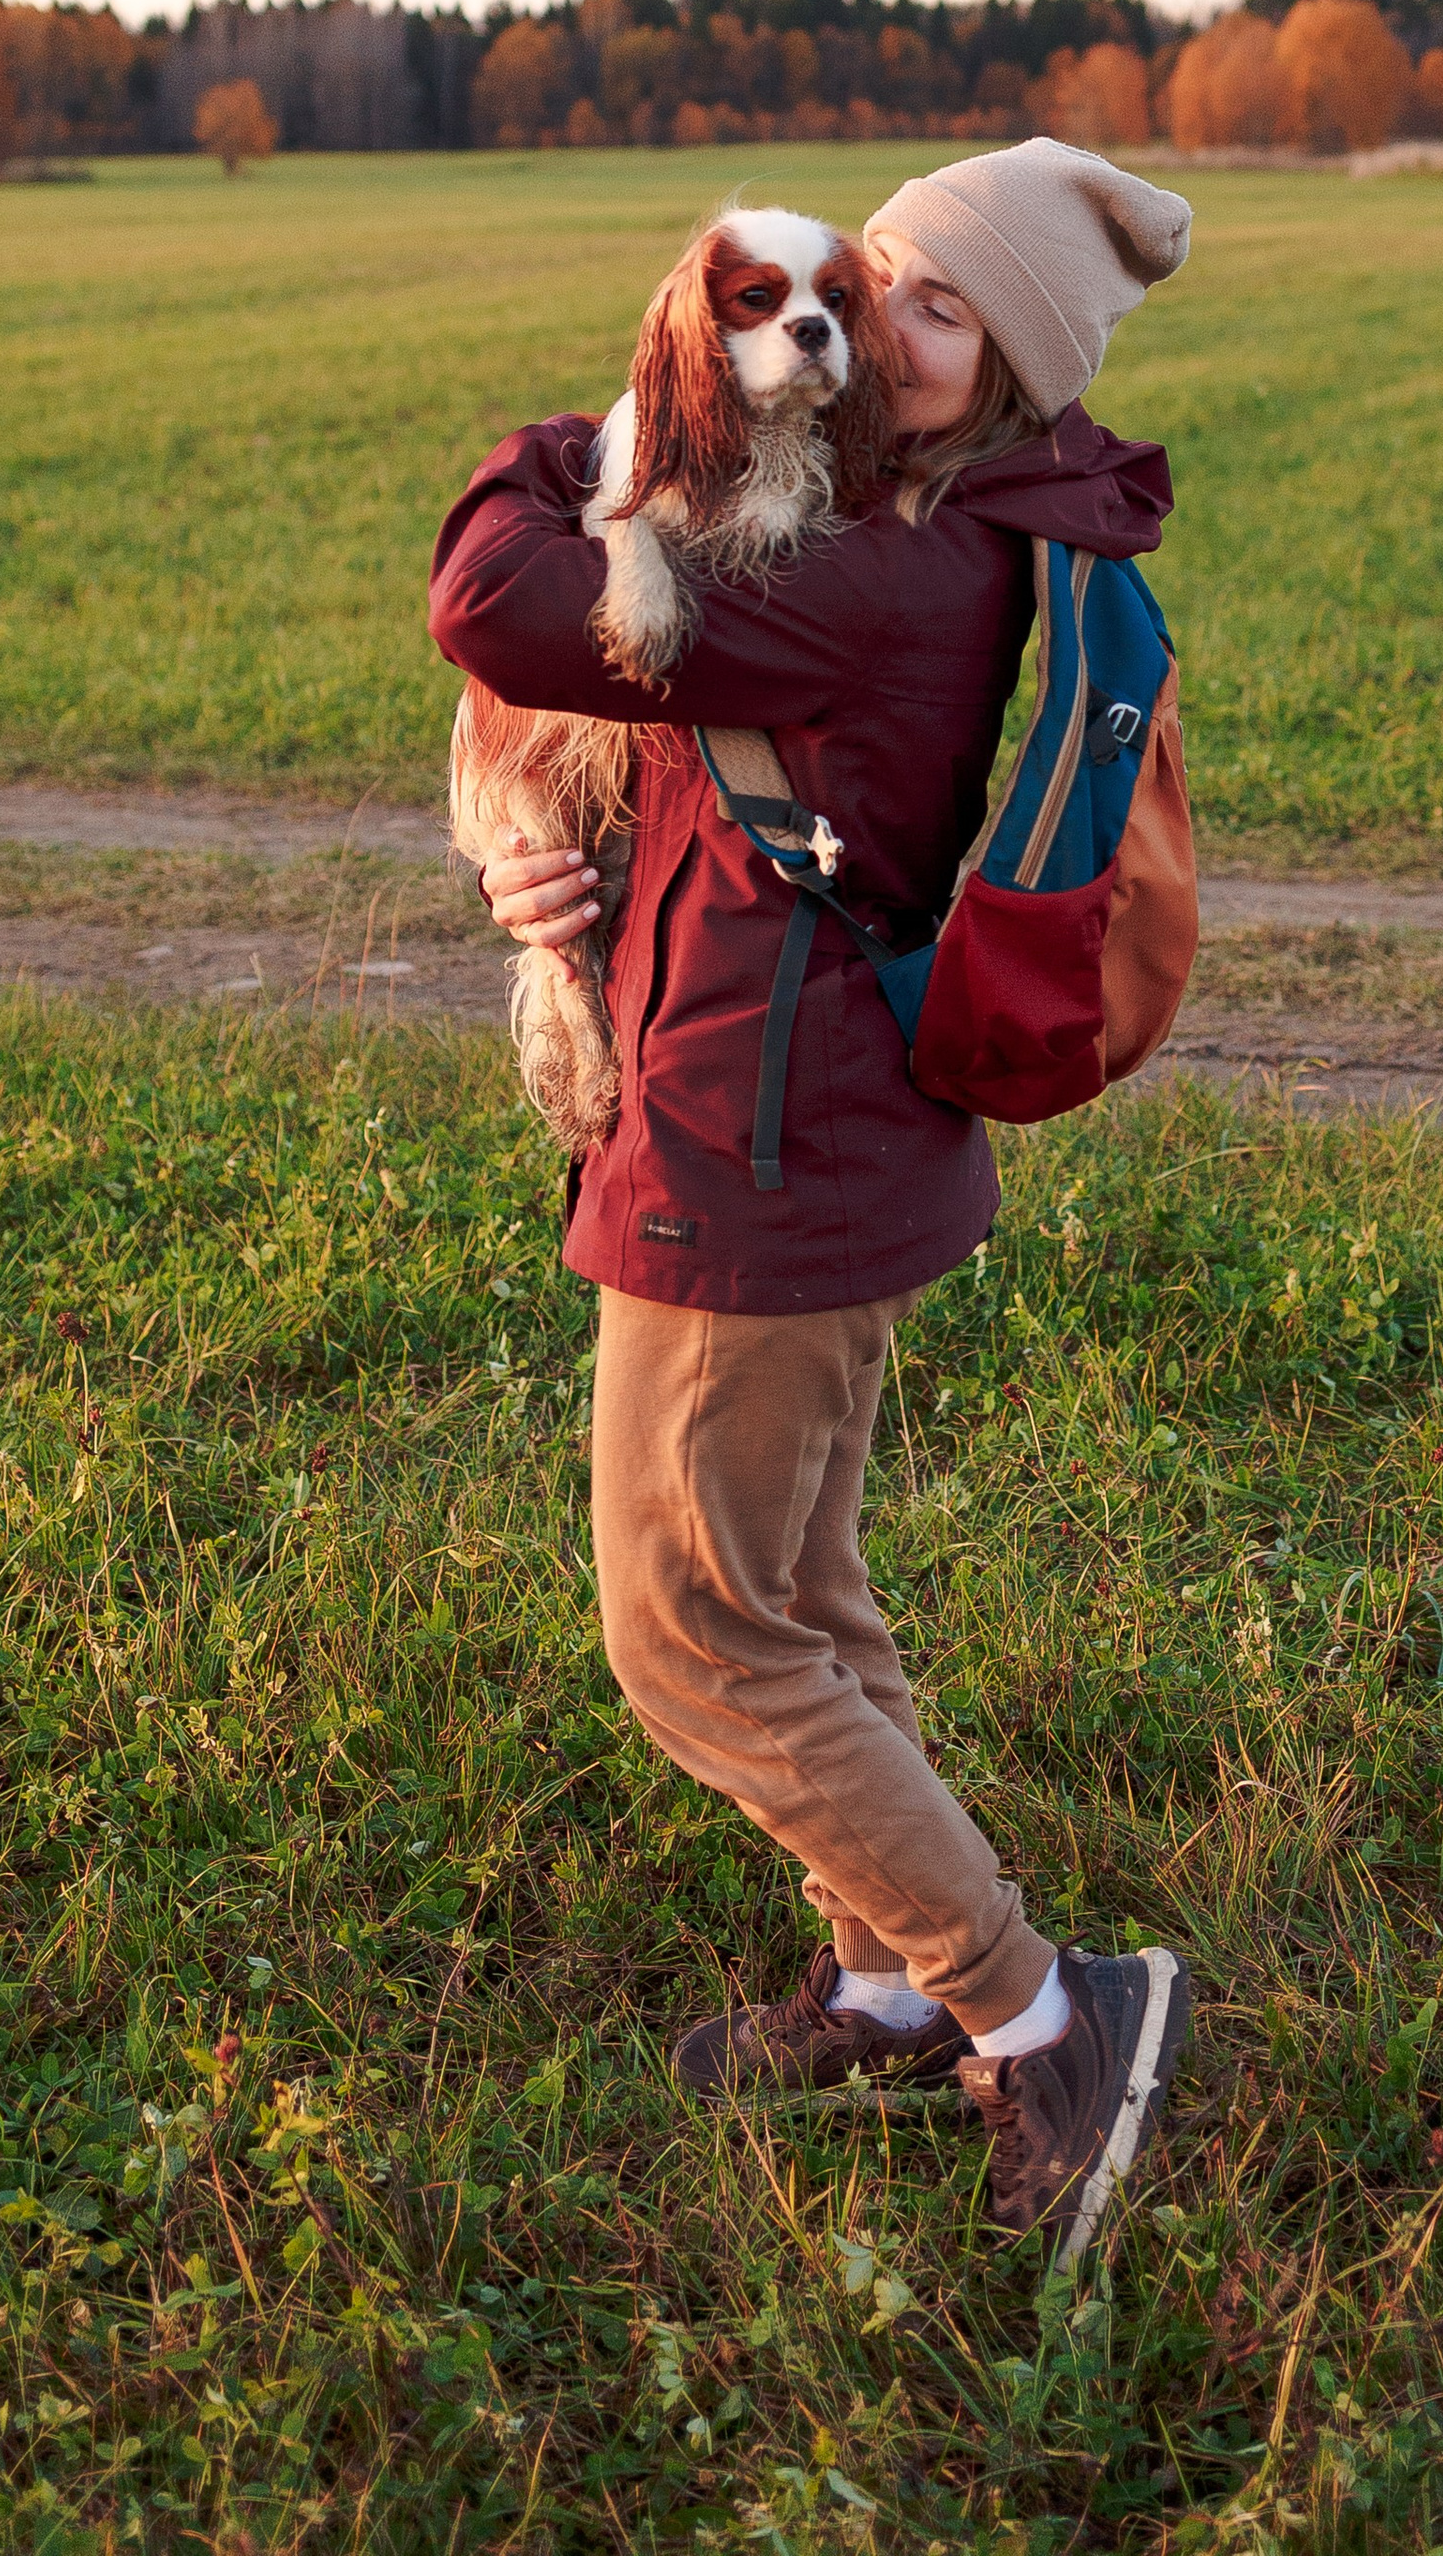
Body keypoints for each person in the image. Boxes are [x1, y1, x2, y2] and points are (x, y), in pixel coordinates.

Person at [427, 138, 1194, 2262]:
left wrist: (595, 414)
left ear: (1014, 357)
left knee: (686, 1629)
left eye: (938, 309)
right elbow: (660, 741)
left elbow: (492, 594)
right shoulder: (881, 524)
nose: (877, 331)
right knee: (804, 1597)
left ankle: (1042, 2018)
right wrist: (534, 870)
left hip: (756, 1155)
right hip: (808, 1120)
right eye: (878, 288)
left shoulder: (892, 570)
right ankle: (876, 1985)